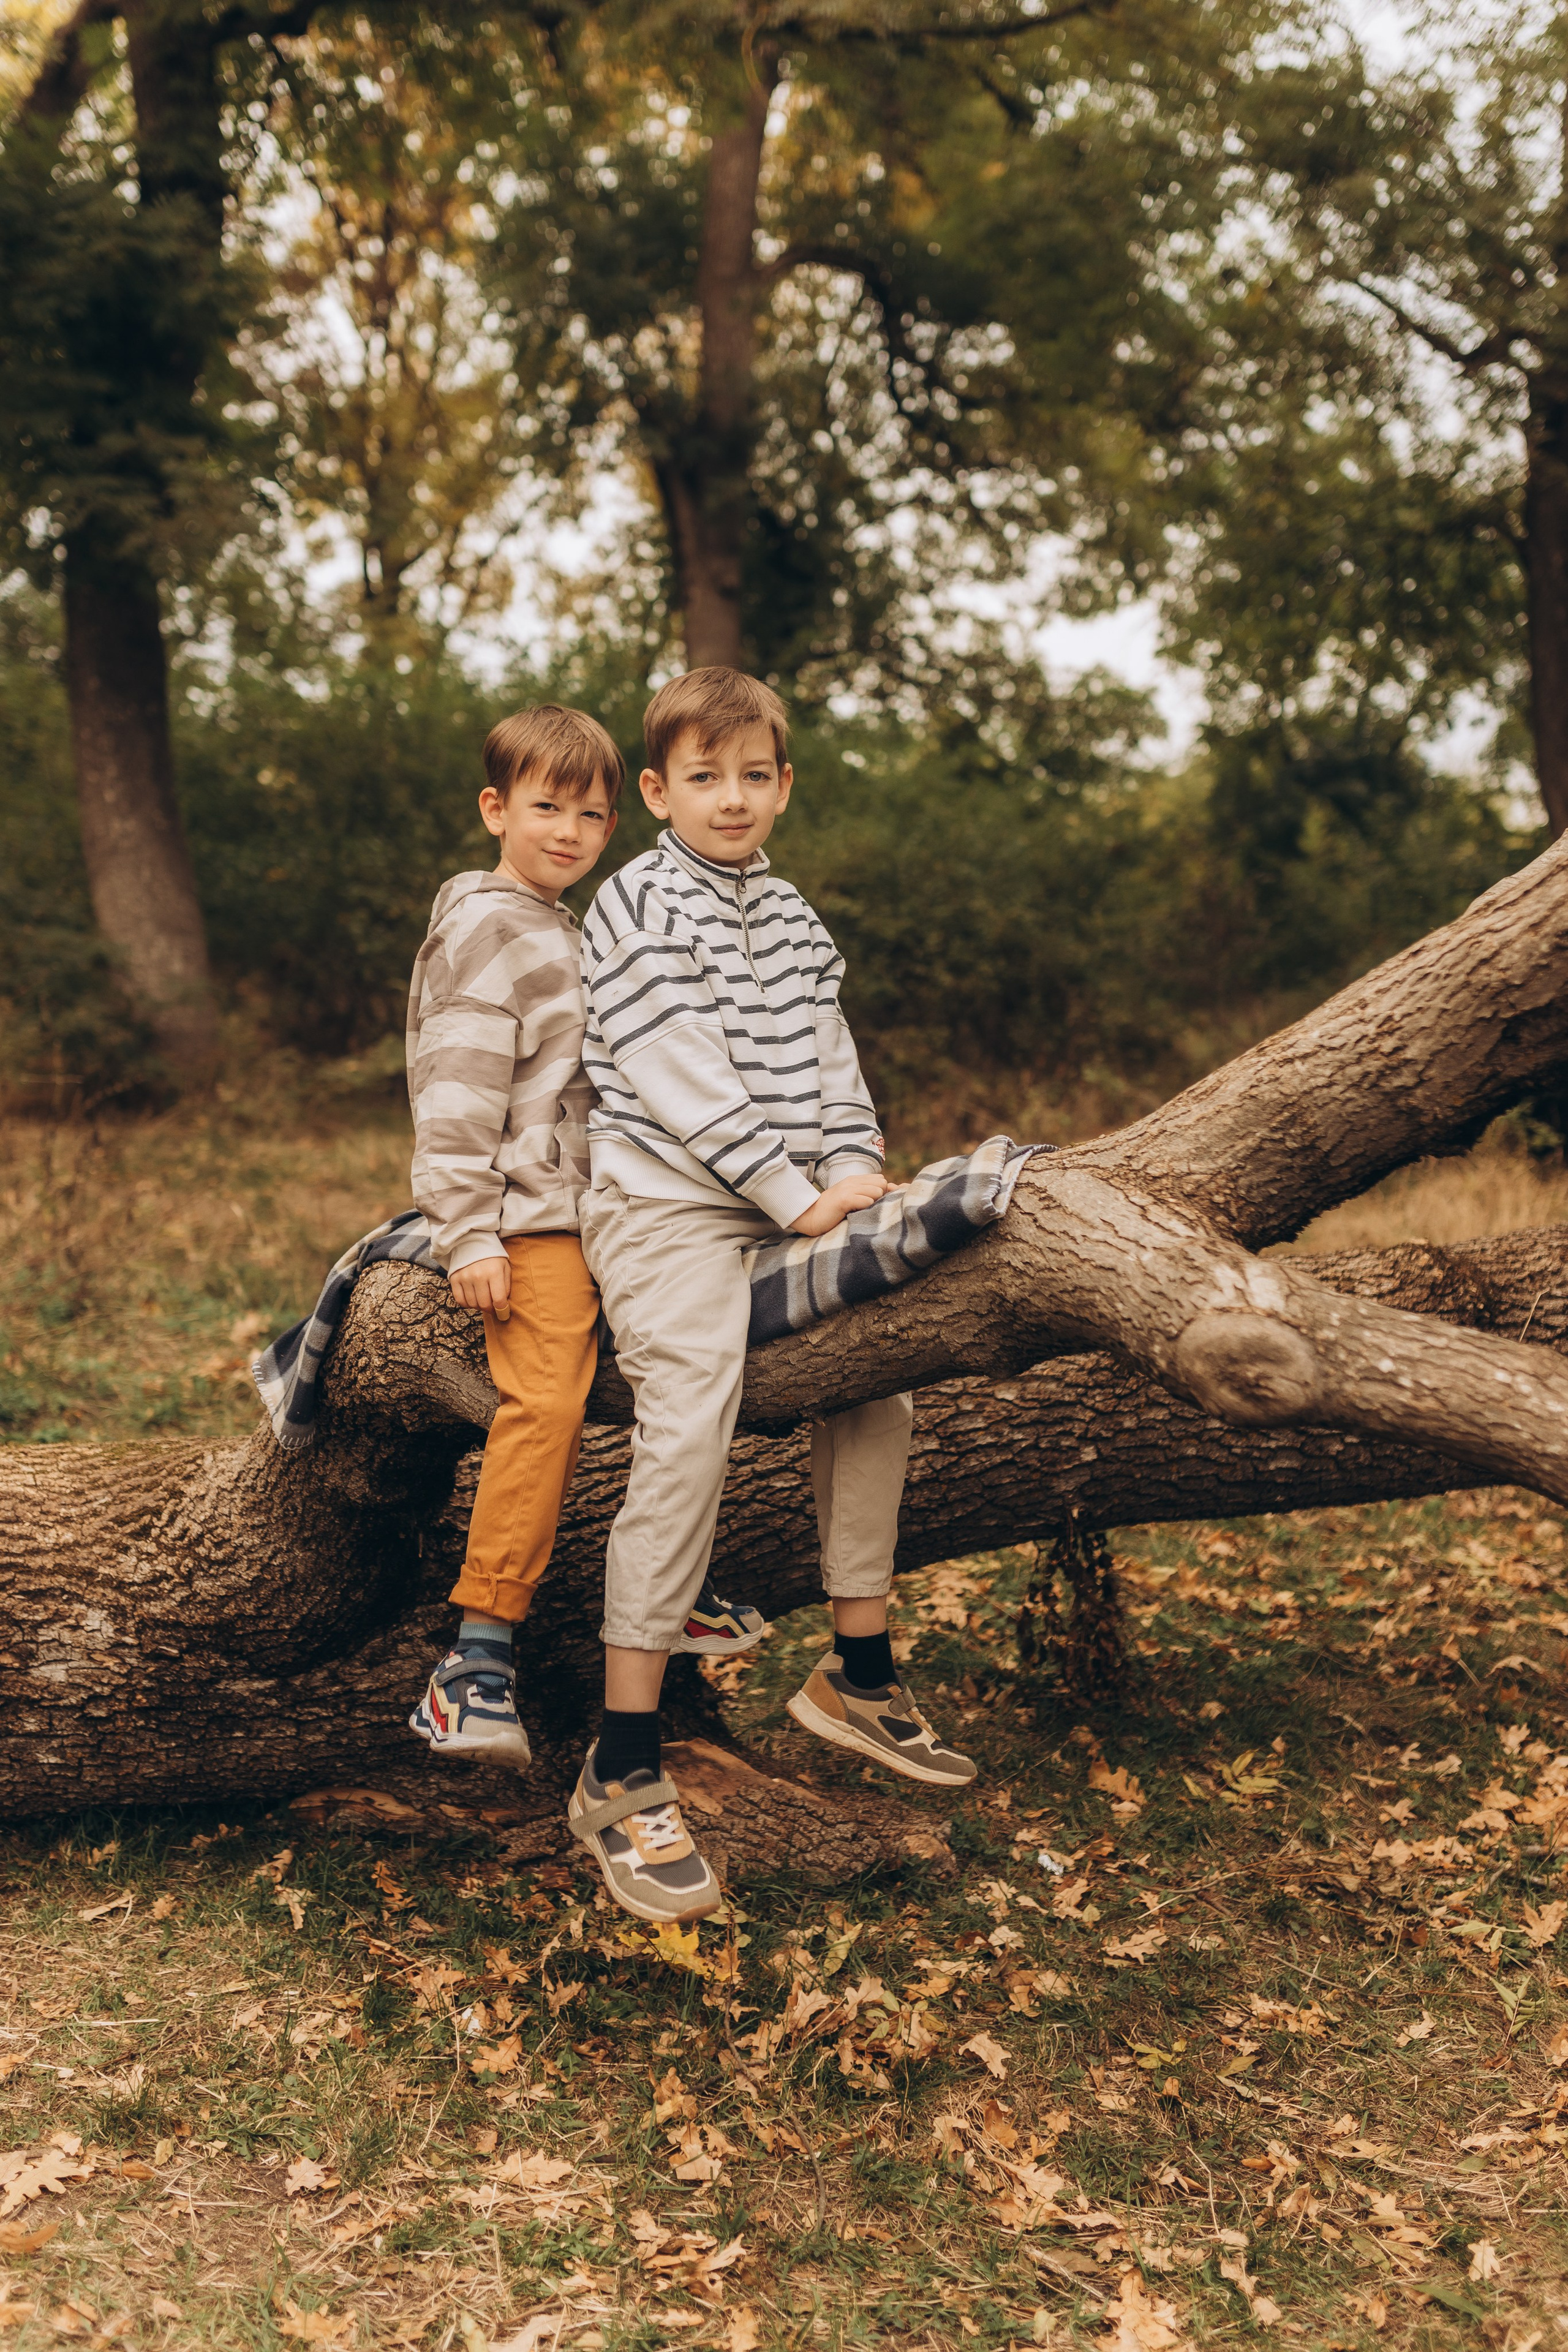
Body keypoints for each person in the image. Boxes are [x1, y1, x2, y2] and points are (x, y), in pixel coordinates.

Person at [570, 666, 976, 1924]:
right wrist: (794, 1194)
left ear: (783, 786)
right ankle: (619, 1767)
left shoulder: (793, 918)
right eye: (703, 777)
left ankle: (855, 1675)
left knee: (878, 1381)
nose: (731, 798)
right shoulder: (632, 903)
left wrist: (852, 1170)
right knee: (689, 1413)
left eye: (753, 776)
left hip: (788, 1195)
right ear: (656, 791)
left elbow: (829, 1060)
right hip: (666, 1206)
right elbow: (681, 1080)